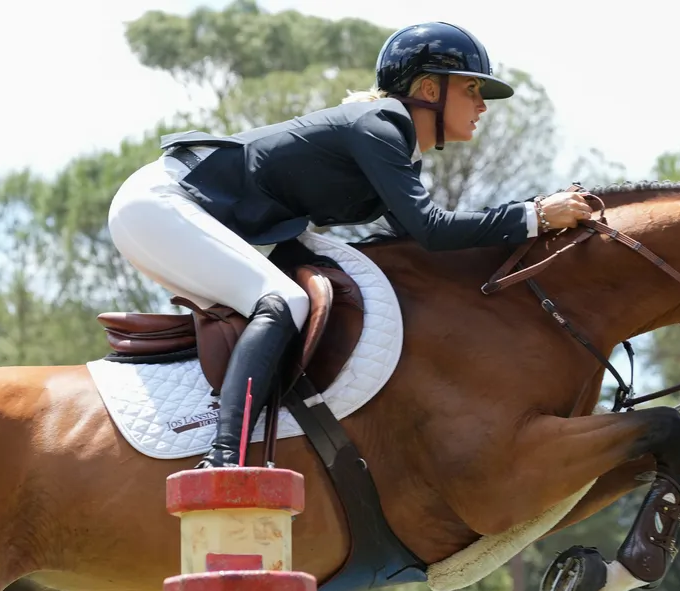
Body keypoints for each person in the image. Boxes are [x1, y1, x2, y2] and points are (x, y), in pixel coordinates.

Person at [107, 21, 593, 470]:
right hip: (162, 203)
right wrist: (533, 215)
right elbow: (434, 229)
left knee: (301, 296)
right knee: (283, 301)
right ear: (428, 89)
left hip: (186, 211)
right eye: (472, 89)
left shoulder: (391, 141)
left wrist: (530, 231)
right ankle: (224, 458)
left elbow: (417, 243)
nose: (483, 105)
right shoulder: (379, 124)